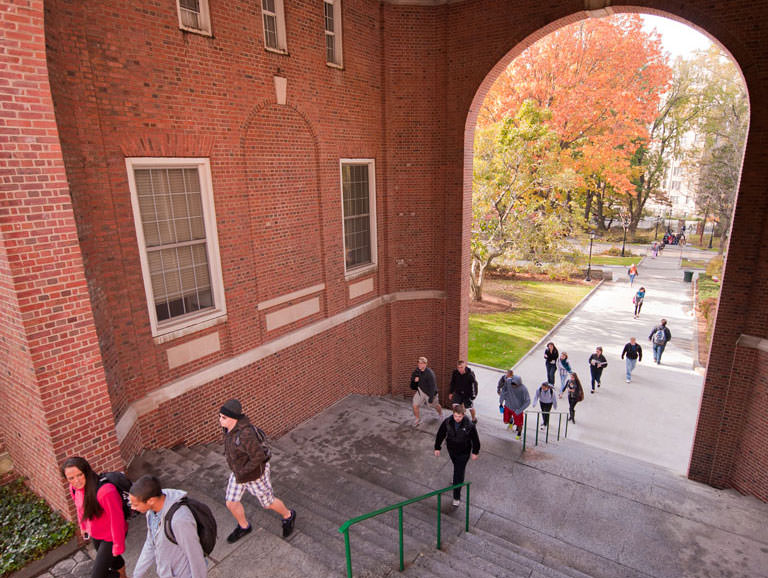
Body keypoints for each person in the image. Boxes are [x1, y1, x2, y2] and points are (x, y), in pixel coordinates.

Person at [219, 398, 296, 543]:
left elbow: (258, 457)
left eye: (224, 417)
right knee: (231, 502)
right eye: (220, 416)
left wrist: (243, 471)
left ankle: (288, 515)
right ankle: (244, 527)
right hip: (239, 473)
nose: (220, 420)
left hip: (254, 475)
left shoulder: (245, 435)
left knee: (268, 503)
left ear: (234, 418)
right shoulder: (229, 429)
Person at [129, 475, 207, 578]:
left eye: (136, 504)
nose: (132, 508)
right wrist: (137, 574)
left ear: (151, 500)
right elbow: (151, 543)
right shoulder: (151, 513)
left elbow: (195, 555)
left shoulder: (180, 520)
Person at [62, 457, 128, 578]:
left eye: (79, 475)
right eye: (71, 478)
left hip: (111, 536)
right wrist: (83, 527)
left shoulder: (106, 491)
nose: (76, 481)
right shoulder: (74, 489)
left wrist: (118, 545)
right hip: (96, 534)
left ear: (86, 471)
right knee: (114, 562)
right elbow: (80, 509)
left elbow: (117, 520)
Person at [434, 404, 480, 507]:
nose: (457, 419)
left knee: (459, 473)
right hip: (451, 449)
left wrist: (475, 452)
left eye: (459, 417)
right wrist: (437, 447)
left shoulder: (469, 425)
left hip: (464, 452)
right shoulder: (448, 422)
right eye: (455, 416)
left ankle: (456, 497)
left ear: (463, 415)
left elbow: (475, 439)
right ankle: (456, 479)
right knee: (457, 468)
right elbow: (441, 434)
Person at [410, 356, 443, 426]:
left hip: (430, 392)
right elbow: (412, 376)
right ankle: (417, 419)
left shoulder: (430, 373)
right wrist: (414, 379)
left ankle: (440, 414)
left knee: (435, 405)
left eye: (421, 363)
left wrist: (431, 398)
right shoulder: (417, 370)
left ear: (425, 364)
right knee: (415, 405)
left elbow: (433, 387)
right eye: (418, 362)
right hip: (421, 391)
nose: (419, 364)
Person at [498, 372, 531, 440]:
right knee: (505, 421)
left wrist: (519, 410)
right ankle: (511, 421)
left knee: (519, 424)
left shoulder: (523, 389)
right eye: (512, 384)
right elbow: (504, 390)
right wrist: (501, 402)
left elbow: (528, 401)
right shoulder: (508, 381)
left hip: (517, 409)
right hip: (508, 405)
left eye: (515, 384)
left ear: (519, 383)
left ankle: (519, 434)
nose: (513, 385)